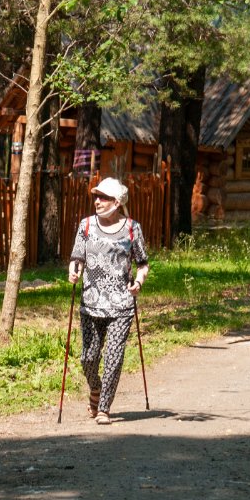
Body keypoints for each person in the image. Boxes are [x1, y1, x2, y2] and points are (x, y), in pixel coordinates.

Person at [67, 176, 149, 425]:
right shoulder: (87, 225)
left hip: (121, 304)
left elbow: (143, 264)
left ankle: (103, 408)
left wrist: (138, 283)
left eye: (103, 197)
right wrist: (73, 270)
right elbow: (76, 257)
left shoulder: (132, 228)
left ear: (116, 202)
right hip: (91, 302)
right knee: (88, 358)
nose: (97, 201)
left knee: (113, 356)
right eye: (96, 196)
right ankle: (95, 387)